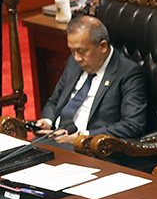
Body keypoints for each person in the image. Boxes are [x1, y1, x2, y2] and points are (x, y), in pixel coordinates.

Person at [37, 15, 146, 144]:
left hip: (92, 148)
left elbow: (132, 125)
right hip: (56, 137)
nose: (77, 58)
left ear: (103, 46)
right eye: (72, 51)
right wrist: (47, 121)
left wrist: (83, 137)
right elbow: (55, 101)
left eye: (81, 51)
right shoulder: (74, 62)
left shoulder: (128, 73)